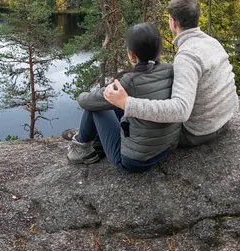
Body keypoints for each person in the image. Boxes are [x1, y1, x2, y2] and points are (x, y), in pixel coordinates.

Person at [103, 0, 238, 147]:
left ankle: (100, 144)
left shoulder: (187, 56)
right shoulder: (212, 42)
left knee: (124, 111)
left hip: (196, 133)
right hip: (224, 121)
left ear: (173, 22)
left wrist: (127, 103)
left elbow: (180, 111)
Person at [66, 23, 181, 172]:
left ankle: (81, 149)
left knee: (96, 108)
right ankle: (97, 144)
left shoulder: (130, 81)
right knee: (117, 105)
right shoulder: (171, 70)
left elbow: (85, 101)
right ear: (159, 50)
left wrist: (83, 94)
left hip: (134, 161)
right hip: (165, 148)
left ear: (132, 55)